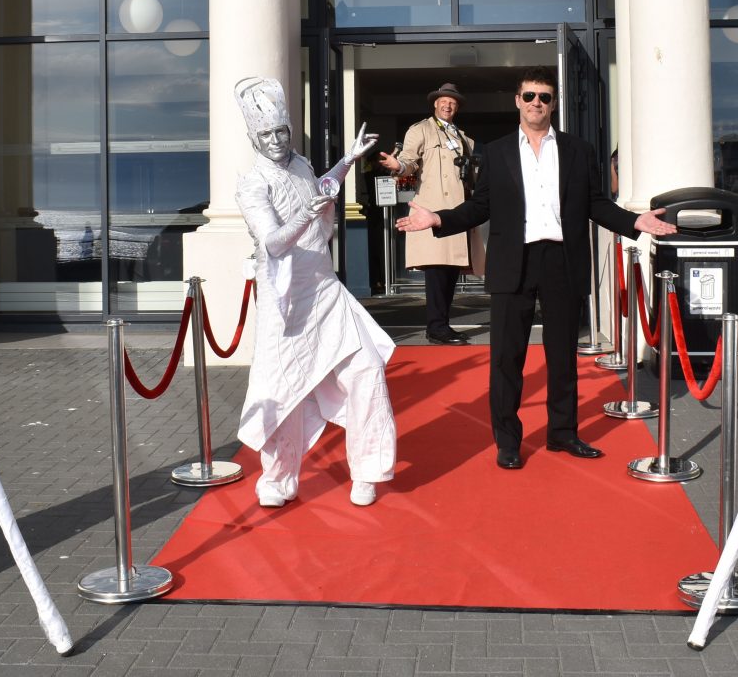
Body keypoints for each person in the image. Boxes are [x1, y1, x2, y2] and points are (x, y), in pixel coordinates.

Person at [396, 68, 676, 469]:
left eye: (544, 97)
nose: (536, 104)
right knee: (507, 359)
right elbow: (480, 207)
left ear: (554, 103)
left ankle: (563, 434)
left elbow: (595, 204)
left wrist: (634, 222)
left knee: (562, 356)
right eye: (529, 96)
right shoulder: (496, 152)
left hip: (562, 260)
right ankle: (508, 441)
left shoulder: (577, 150)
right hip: (514, 261)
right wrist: (439, 219)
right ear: (517, 101)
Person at [233, 76, 399, 508]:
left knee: (366, 372)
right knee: (284, 390)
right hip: (285, 302)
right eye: (265, 134)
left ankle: (367, 471)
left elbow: (320, 188)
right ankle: (279, 478)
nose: (274, 140)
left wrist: (346, 160)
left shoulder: (303, 164)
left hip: (326, 290)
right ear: (253, 136)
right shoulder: (252, 185)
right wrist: (306, 218)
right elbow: (272, 243)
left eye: (281, 131)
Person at [377, 82, 486, 345]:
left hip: (457, 214)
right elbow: (409, 161)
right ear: (435, 104)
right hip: (433, 211)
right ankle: (436, 328)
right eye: (444, 101)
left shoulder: (463, 138)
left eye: (453, 102)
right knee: (437, 272)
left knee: (450, 272)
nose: (448, 105)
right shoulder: (421, 130)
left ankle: (442, 325)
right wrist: (398, 166)